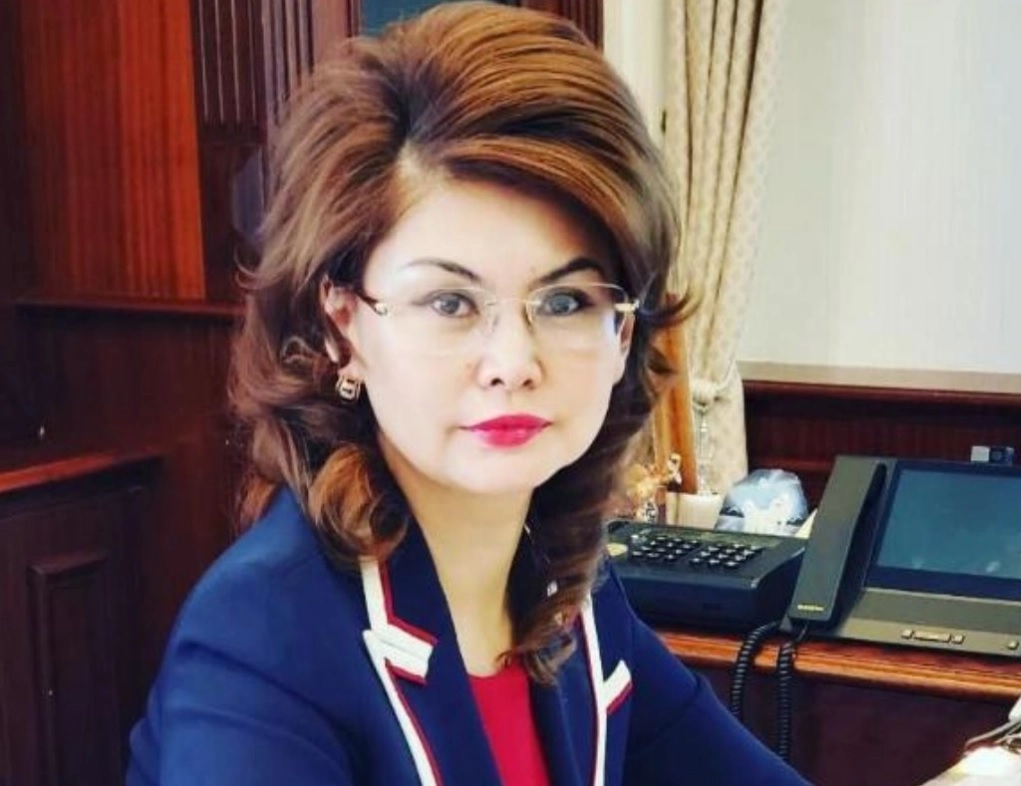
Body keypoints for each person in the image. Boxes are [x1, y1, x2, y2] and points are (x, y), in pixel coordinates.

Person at [126, 3, 811, 785]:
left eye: (566, 301)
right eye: (450, 302)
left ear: (623, 333)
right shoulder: (258, 641)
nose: (512, 362)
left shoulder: (573, 587)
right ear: (343, 329)